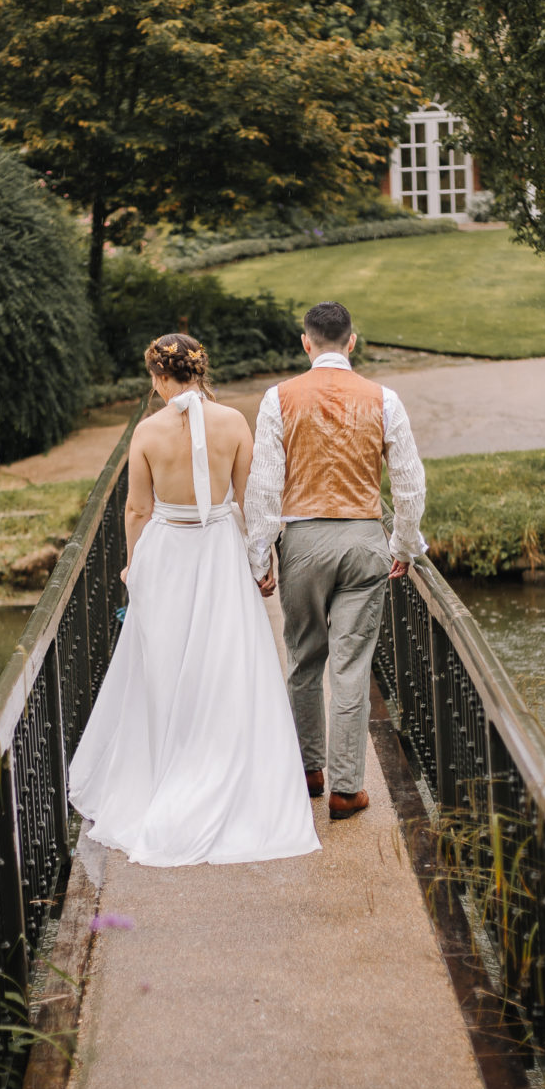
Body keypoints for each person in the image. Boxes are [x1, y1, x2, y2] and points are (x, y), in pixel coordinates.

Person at [68, 333, 320, 867]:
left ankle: (166, 767)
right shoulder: (233, 422)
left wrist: (134, 566)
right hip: (220, 554)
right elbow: (253, 499)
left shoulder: (147, 431)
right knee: (225, 661)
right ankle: (225, 767)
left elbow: (137, 510)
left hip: (167, 556)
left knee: (162, 664)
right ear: (200, 372)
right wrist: (261, 561)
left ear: (159, 377)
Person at [244, 301, 427, 821]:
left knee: (304, 658)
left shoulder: (277, 399)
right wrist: (404, 546)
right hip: (364, 540)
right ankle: (349, 787)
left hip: (301, 542)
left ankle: (309, 771)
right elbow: (410, 485)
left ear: (307, 342)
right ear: (352, 341)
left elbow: (263, 487)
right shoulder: (383, 399)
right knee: (351, 665)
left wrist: (261, 558)